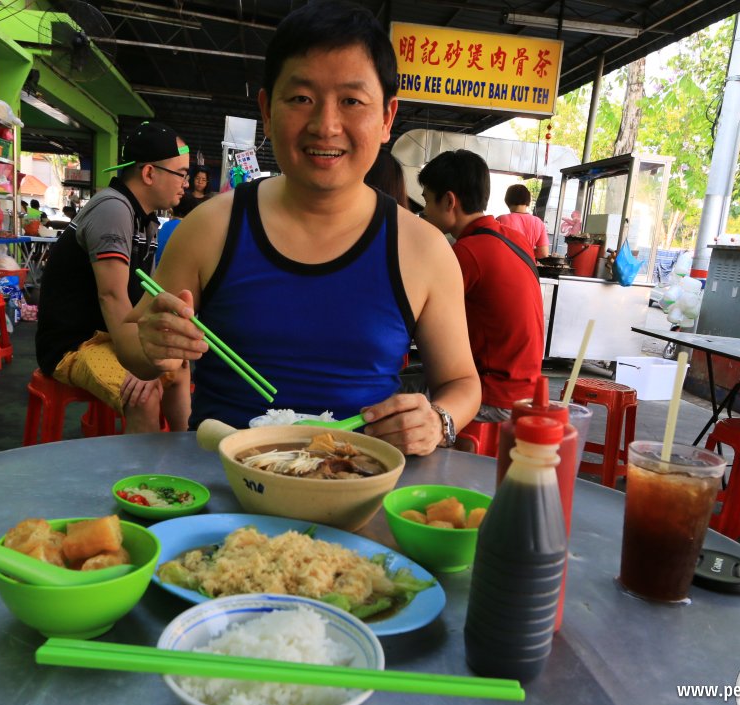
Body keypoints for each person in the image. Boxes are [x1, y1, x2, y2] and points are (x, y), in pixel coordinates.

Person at [129, 0, 480, 456]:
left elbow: (460, 381)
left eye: (352, 101)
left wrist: (439, 419)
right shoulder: (212, 226)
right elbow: (135, 349)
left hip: (359, 488)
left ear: (388, 118)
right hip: (224, 489)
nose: (325, 125)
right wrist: (151, 342)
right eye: (301, 99)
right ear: (267, 112)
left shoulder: (424, 249)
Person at [35, 121, 191, 433]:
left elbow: (144, 297)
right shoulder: (113, 209)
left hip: (107, 336)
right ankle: (144, 480)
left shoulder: (145, 221)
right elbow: (113, 296)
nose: (186, 183)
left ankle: (185, 453)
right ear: (149, 173)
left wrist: (160, 351)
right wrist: (139, 364)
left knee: (180, 367)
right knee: (142, 394)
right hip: (76, 344)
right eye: (181, 173)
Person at [418, 149, 545, 423]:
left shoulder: (468, 252)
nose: (424, 211)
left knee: (385, 397)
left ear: (449, 201)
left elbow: (414, 315)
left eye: (427, 201)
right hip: (527, 389)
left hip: (494, 394)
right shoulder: (514, 238)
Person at [496, 183, 550, 259]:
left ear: (507, 200)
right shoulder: (538, 222)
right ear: (528, 201)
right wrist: (527, 252)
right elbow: (544, 253)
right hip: (528, 268)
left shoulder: (500, 220)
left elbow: (494, 247)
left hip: (506, 264)